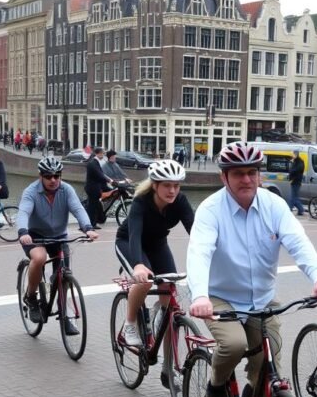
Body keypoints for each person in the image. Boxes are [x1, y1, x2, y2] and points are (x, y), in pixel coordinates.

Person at [186, 142, 317, 397]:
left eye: (252, 172)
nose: (247, 180)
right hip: (219, 297)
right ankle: (214, 387)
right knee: (235, 345)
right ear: (225, 177)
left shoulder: (273, 205)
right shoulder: (210, 210)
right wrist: (199, 296)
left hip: (263, 301)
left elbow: (298, 241)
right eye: (238, 174)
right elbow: (199, 253)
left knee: (269, 374)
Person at [115, 160, 193, 362]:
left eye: (176, 185)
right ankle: (129, 325)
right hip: (130, 242)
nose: (172, 190)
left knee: (169, 297)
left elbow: (196, 234)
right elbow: (134, 235)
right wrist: (138, 265)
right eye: (167, 185)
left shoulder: (181, 202)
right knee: (145, 280)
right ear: (155, 185)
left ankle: (169, 367)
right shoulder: (141, 201)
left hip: (158, 244)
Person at [17, 157, 99, 334]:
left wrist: (88, 228)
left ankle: (66, 315)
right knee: (39, 258)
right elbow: (23, 211)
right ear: (41, 177)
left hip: (59, 237)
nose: (53, 180)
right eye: (48, 176)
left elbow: (78, 209)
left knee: (63, 278)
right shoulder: (31, 192)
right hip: (35, 237)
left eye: (57, 176)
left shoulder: (66, 190)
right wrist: (23, 232)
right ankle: (31, 298)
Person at [84, 147, 112, 227]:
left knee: (95, 206)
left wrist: (109, 179)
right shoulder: (93, 163)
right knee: (92, 207)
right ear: (98, 153)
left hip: (95, 188)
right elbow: (99, 175)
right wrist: (110, 181)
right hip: (92, 188)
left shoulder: (96, 162)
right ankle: (91, 224)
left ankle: (94, 222)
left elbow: (101, 174)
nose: (103, 155)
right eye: (103, 153)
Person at [287, 150, 306, 216]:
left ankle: (290, 209)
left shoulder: (299, 162)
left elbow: (296, 170)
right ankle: (300, 210)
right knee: (294, 197)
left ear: (296, 155)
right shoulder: (295, 161)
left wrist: (292, 165)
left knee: (293, 197)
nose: (292, 155)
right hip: (294, 181)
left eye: (293, 154)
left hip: (296, 181)